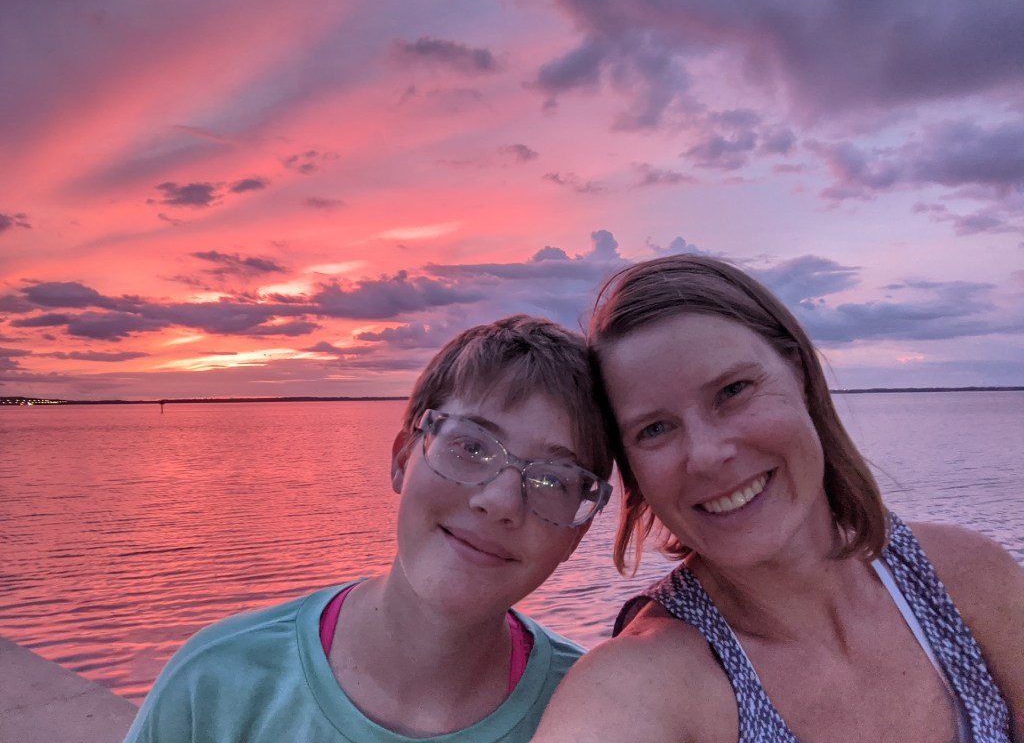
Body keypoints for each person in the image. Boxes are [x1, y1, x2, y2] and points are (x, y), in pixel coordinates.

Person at [533, 254, 1023, 742]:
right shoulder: (641, 684)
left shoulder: (967, 578)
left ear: (799, 374)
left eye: (733, 390)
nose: (707, 456)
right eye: (655, 428)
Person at [124, 315, 614, 743]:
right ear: (402, 458)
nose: (500, 501)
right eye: (471, 447)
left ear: (578, 532)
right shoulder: (220, 680)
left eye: (553, 479)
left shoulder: (603, 716)